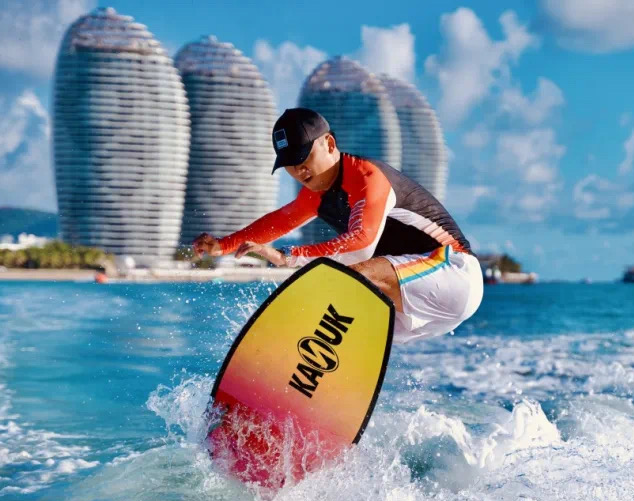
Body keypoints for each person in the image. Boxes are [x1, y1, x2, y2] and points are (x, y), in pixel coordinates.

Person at [193, 108, 483, 344]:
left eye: (303, 158)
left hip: (454, 274)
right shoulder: (316, 194)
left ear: (329, 144)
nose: (298, 170)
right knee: (327, 324)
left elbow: (361, 242)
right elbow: (279, 220)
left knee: (349, 280)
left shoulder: (368, 177)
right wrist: (224, 245)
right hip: (411, 292)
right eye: (290, 164)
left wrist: (286, 256)